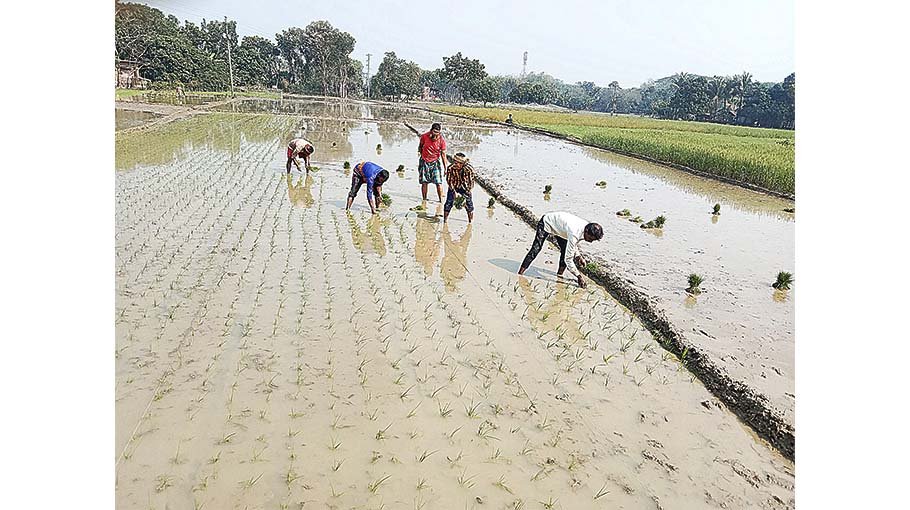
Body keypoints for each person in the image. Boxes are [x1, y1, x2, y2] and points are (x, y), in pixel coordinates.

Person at [518, 212, 603, 288]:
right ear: (586, 231)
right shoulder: (574, 232)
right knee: (536, 249)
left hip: (562, 229)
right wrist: (579, 276)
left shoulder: (586, 228)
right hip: (547, 222)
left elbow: (574, 243)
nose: (591, 242)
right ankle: (519, 274)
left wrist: (578, 256)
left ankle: (559, 275)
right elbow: (568, 259)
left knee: (565, 250)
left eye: (593, 240)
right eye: (590, 239)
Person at [417, 123, 447, 202]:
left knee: (438, 182)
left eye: (437, 133)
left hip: (435, 162)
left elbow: (443, 155)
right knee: (424, 182)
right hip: (424, 161)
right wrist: (423, 155)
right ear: (431, 131)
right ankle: (424, 199)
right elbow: (420, 147)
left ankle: (441, 200)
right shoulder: (424, 137)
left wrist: (445, 168)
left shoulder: (441, 141)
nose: (435, 134)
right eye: (434, 132)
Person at [443, 153, 475, 224]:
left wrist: (466, 193)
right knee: (448, 203)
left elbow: (470, 183)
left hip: (465, 188)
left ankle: (470, 221)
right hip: (454, 186)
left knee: (469, 205)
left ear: (462, 164)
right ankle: (445, 221)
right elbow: (449, 181)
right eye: (455, 162)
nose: (455, 164)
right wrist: (454, 192)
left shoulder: (469, 170)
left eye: (458, 163)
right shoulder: (450, 168)